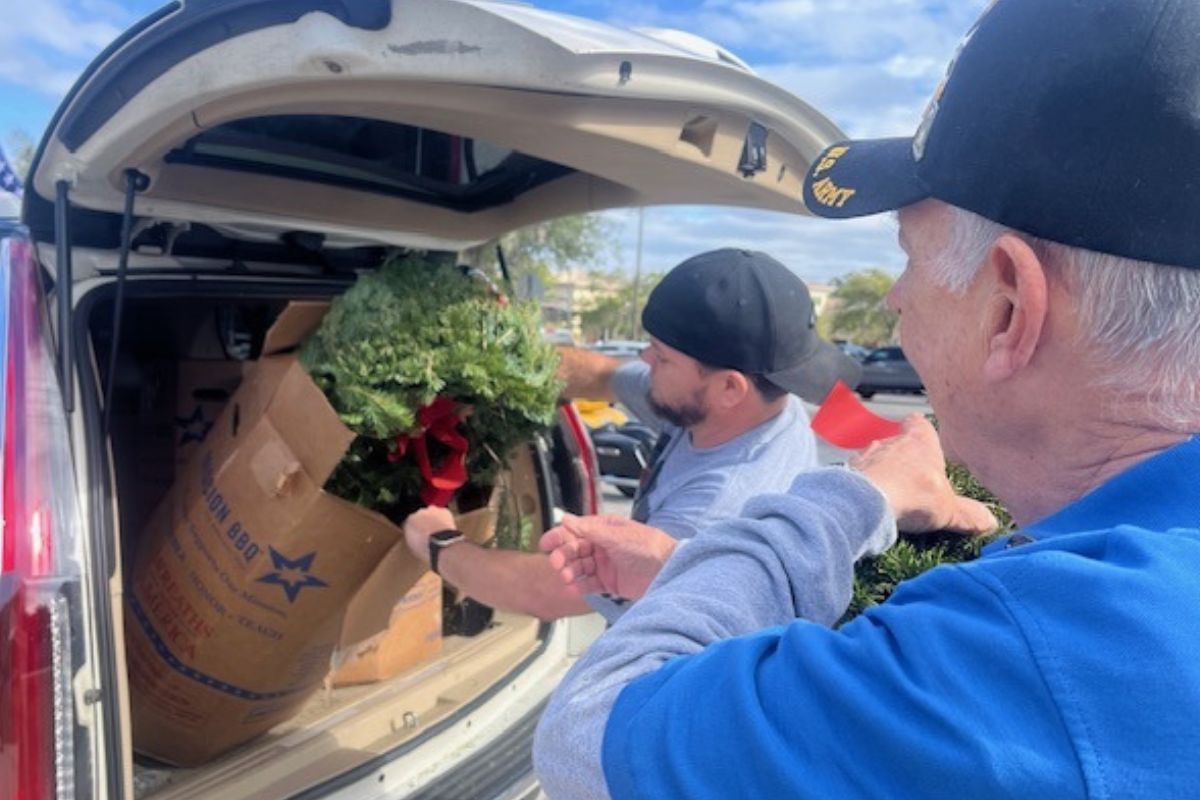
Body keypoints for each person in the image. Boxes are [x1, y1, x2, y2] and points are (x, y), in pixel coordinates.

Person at [532, 0, 1200, 797]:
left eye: (907, 257)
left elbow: (588, 735)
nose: (893, 298)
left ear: (1009, 308)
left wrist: (857, 496)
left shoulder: (1037, 653)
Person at [402, 248, 861, 623]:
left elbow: (548, 591)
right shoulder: (745, 404)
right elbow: (600, 375)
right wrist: (489, 371)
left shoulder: (715, 511)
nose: (644, 358)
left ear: (729, 387)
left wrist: (439, 542)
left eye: (661, 357)